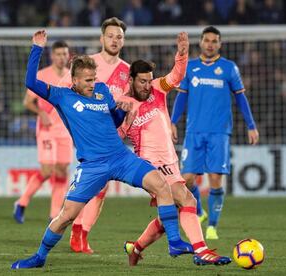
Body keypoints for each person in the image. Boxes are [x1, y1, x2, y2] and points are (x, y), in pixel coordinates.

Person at [11, 30, 191, 269]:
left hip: (120, 157)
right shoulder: (61, 95)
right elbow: (30, 82)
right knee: (66, 216)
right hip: (92, 166)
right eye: (87, 80)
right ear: (74, 80)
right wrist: (37, 48)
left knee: (161, 185)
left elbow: (113, 121)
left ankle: (175, 241)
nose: (92, 83)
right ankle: (39, 257)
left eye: (93, 78)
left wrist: (123, 110)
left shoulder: (103, 91)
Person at [120, 32, 231, 266]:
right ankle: (202, 251)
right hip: (150, 164)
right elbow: (116, 137)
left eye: (149, 80)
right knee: (188, 200)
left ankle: (136, 247)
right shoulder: (124, 105)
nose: (147, 85)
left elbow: (176, 75)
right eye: (142, 81)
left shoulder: (157, 89)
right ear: (131, 80)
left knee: (167, 213)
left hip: (170, 161)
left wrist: (182, 54)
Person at [170, 26, 259, 240]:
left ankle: (212, 226)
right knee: (187, 180)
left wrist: (251, 125)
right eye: (207, 40)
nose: (210, 44)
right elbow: (181, 97)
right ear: (200, 42)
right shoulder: (190, 68)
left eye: (214, 41)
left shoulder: (229, 68)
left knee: (215, 180)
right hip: (194, 132)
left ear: (220, 44)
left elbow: (240, 98)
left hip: (219, 133)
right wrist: (172, 122)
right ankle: (199, 212)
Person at [58, 17, 131, 254]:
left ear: (123, 40)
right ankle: (77, 231)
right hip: (88, 139)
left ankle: (81, 233)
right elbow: (63, 92)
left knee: (102, 189)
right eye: (110, 36)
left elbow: (130, 103)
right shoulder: (88, 64)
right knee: (92, 186)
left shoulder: (127, 71)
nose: (114, 40)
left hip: (113, 138)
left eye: (119, 36)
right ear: (102, 38)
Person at [13, 41, 72, 224]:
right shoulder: (42, 75)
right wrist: (41, 113)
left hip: (65, 130)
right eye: (59, 54)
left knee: (62, 170)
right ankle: (22, 203)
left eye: (65, 54)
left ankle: (54, 215)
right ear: (52, 56)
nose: (62, 57)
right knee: (47, 170)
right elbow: (27, 102)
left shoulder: (72, 76)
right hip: (46, 129)